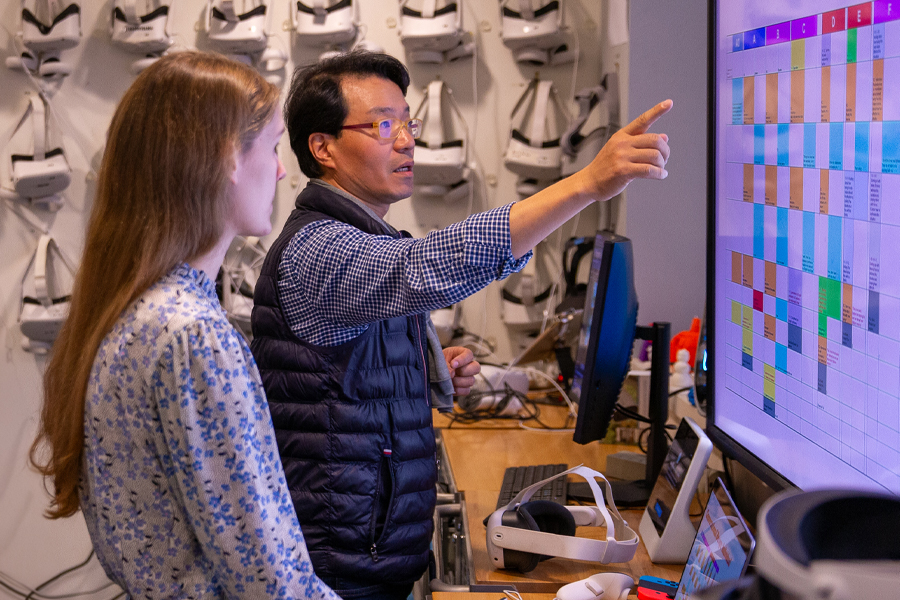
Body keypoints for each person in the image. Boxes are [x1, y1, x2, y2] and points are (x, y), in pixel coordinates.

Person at [251, 50, 672, 600]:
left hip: (363, 546)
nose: (406, 140)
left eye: (408, 122)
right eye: (382, 125)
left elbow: (341, 382)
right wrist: (585, 185)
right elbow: (427, 269)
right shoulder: (320, 248)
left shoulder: (361, 239)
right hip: (340, 562)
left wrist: (426, 370)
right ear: (322, 147)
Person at [29, 51, 338, 600]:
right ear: (227, 158)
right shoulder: (192, 336)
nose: (283, 168)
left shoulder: (133, 311)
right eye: (271, 146)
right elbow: (271, 583)